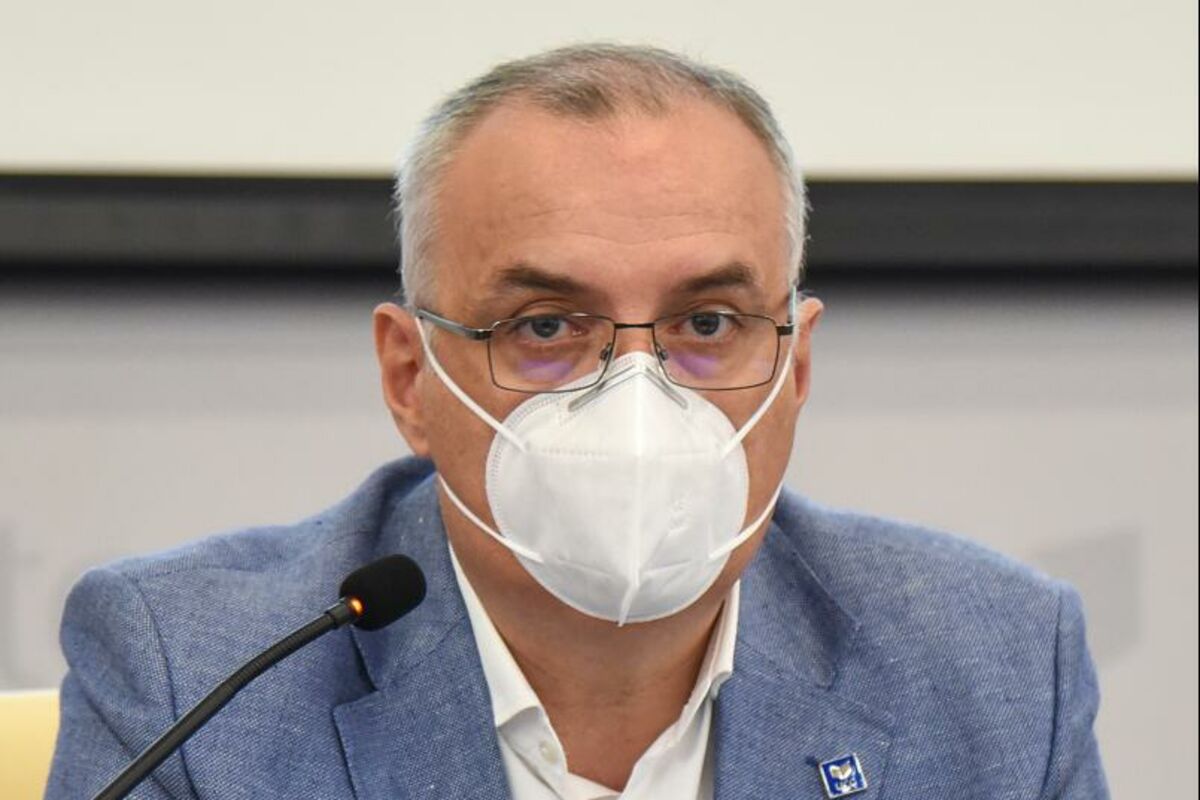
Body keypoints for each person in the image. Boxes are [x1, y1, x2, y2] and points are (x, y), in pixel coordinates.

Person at [45, 44, 1108, 799]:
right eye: (546, 326)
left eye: (708, 322)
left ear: (796, 367)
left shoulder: (994, 663)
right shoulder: (197, 675)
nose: (638, 397)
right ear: (410, 378)